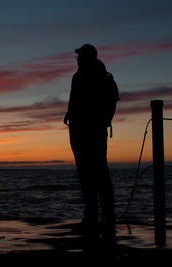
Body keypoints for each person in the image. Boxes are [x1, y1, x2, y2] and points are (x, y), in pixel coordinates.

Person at [63, 44, 119, 243]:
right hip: (79, 128)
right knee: (87, 170)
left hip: (91, 130)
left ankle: (103, 214)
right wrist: (70, 113)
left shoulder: (96, 74)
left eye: (80, 55)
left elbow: (92, 101)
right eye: (78, 55)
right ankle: (94, 213)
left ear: (89, 56)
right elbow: (76, 98)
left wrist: (92, 119)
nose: (77, 58)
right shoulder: (80, 74)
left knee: (96, 170)